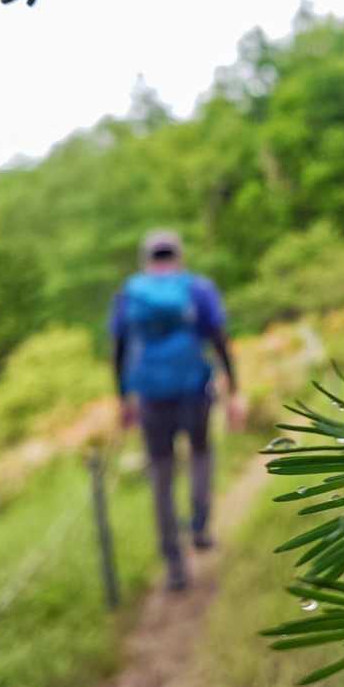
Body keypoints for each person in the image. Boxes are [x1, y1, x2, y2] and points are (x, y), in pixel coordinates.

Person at [109, 229, 244, 591]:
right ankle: (199, 526)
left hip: (151, 397)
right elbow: (219, 340)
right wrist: (234, 390)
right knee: (200, 454)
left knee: (161, 475)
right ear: (179, 255)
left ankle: (174, 565)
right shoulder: (197, 288)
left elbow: (119, 350)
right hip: (193, 390)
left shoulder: (129, 293)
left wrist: (123, 398)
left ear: (146, 260)